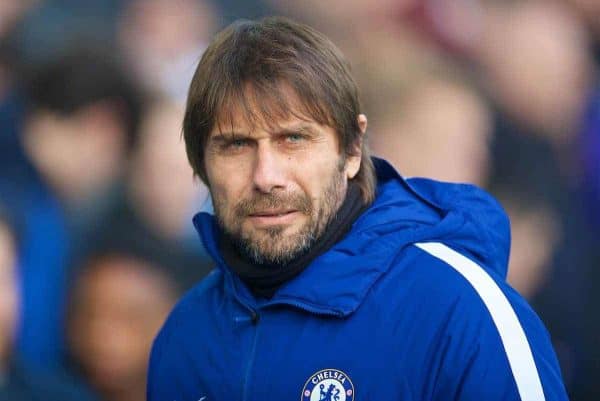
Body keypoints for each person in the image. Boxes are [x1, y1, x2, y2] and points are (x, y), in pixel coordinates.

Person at [147, 17, 569, 401]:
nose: (266, 175)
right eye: (237, 145)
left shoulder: (459, 311)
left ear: (351, 150)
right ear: (201, 163)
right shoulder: (185, 336)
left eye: (293, 139)